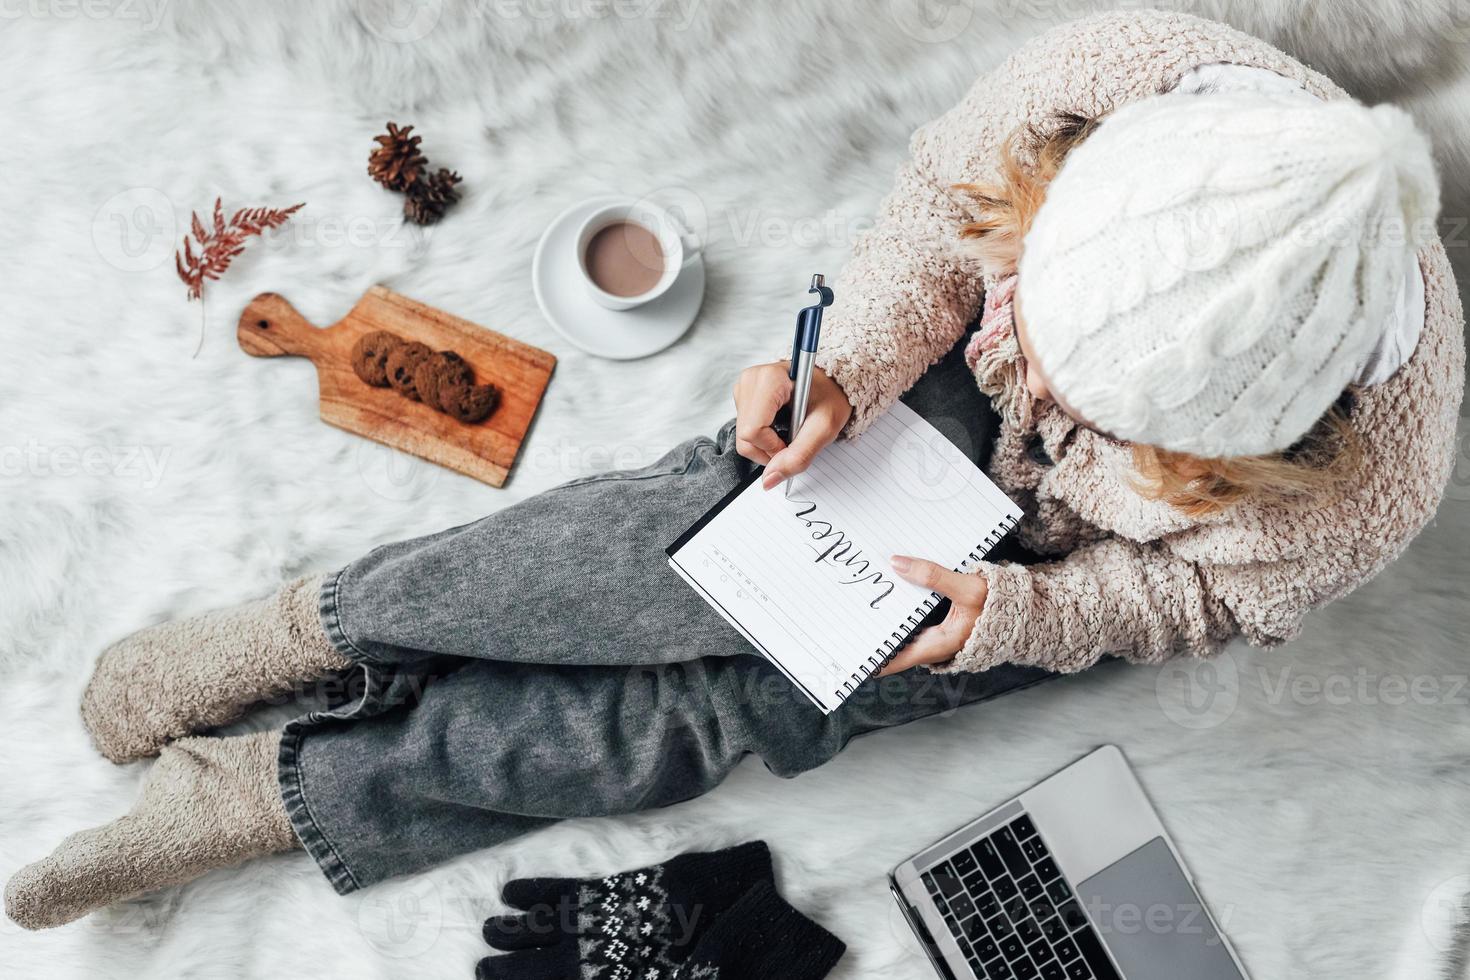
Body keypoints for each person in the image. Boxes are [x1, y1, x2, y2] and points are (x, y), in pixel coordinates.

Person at [6, 9, 1461, 931]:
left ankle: (283, 790)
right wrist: (852, 365)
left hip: (1070, 570)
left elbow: (1194, 608)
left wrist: (1029, 618)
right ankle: (306, 632)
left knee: (727, 711)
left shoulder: (1364, 491)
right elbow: (925, 227)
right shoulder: (1106, 73)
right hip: (931, 392)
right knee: (676, 543)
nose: (1059, 389)